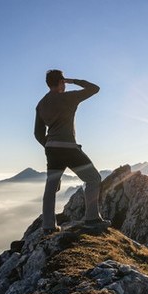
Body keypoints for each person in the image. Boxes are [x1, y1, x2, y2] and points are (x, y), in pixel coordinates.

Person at [34, 69, 110, 234]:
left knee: (51, 187)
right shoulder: (69, 98)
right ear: (61, 82)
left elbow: (38, 133)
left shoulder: (41, 104)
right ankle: (92, 218)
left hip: (51, 150)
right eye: (63, 82)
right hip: (69, 148)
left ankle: (48, 226)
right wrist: (72, 80)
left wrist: (49, 145)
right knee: (93, 178)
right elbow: (94, 88)